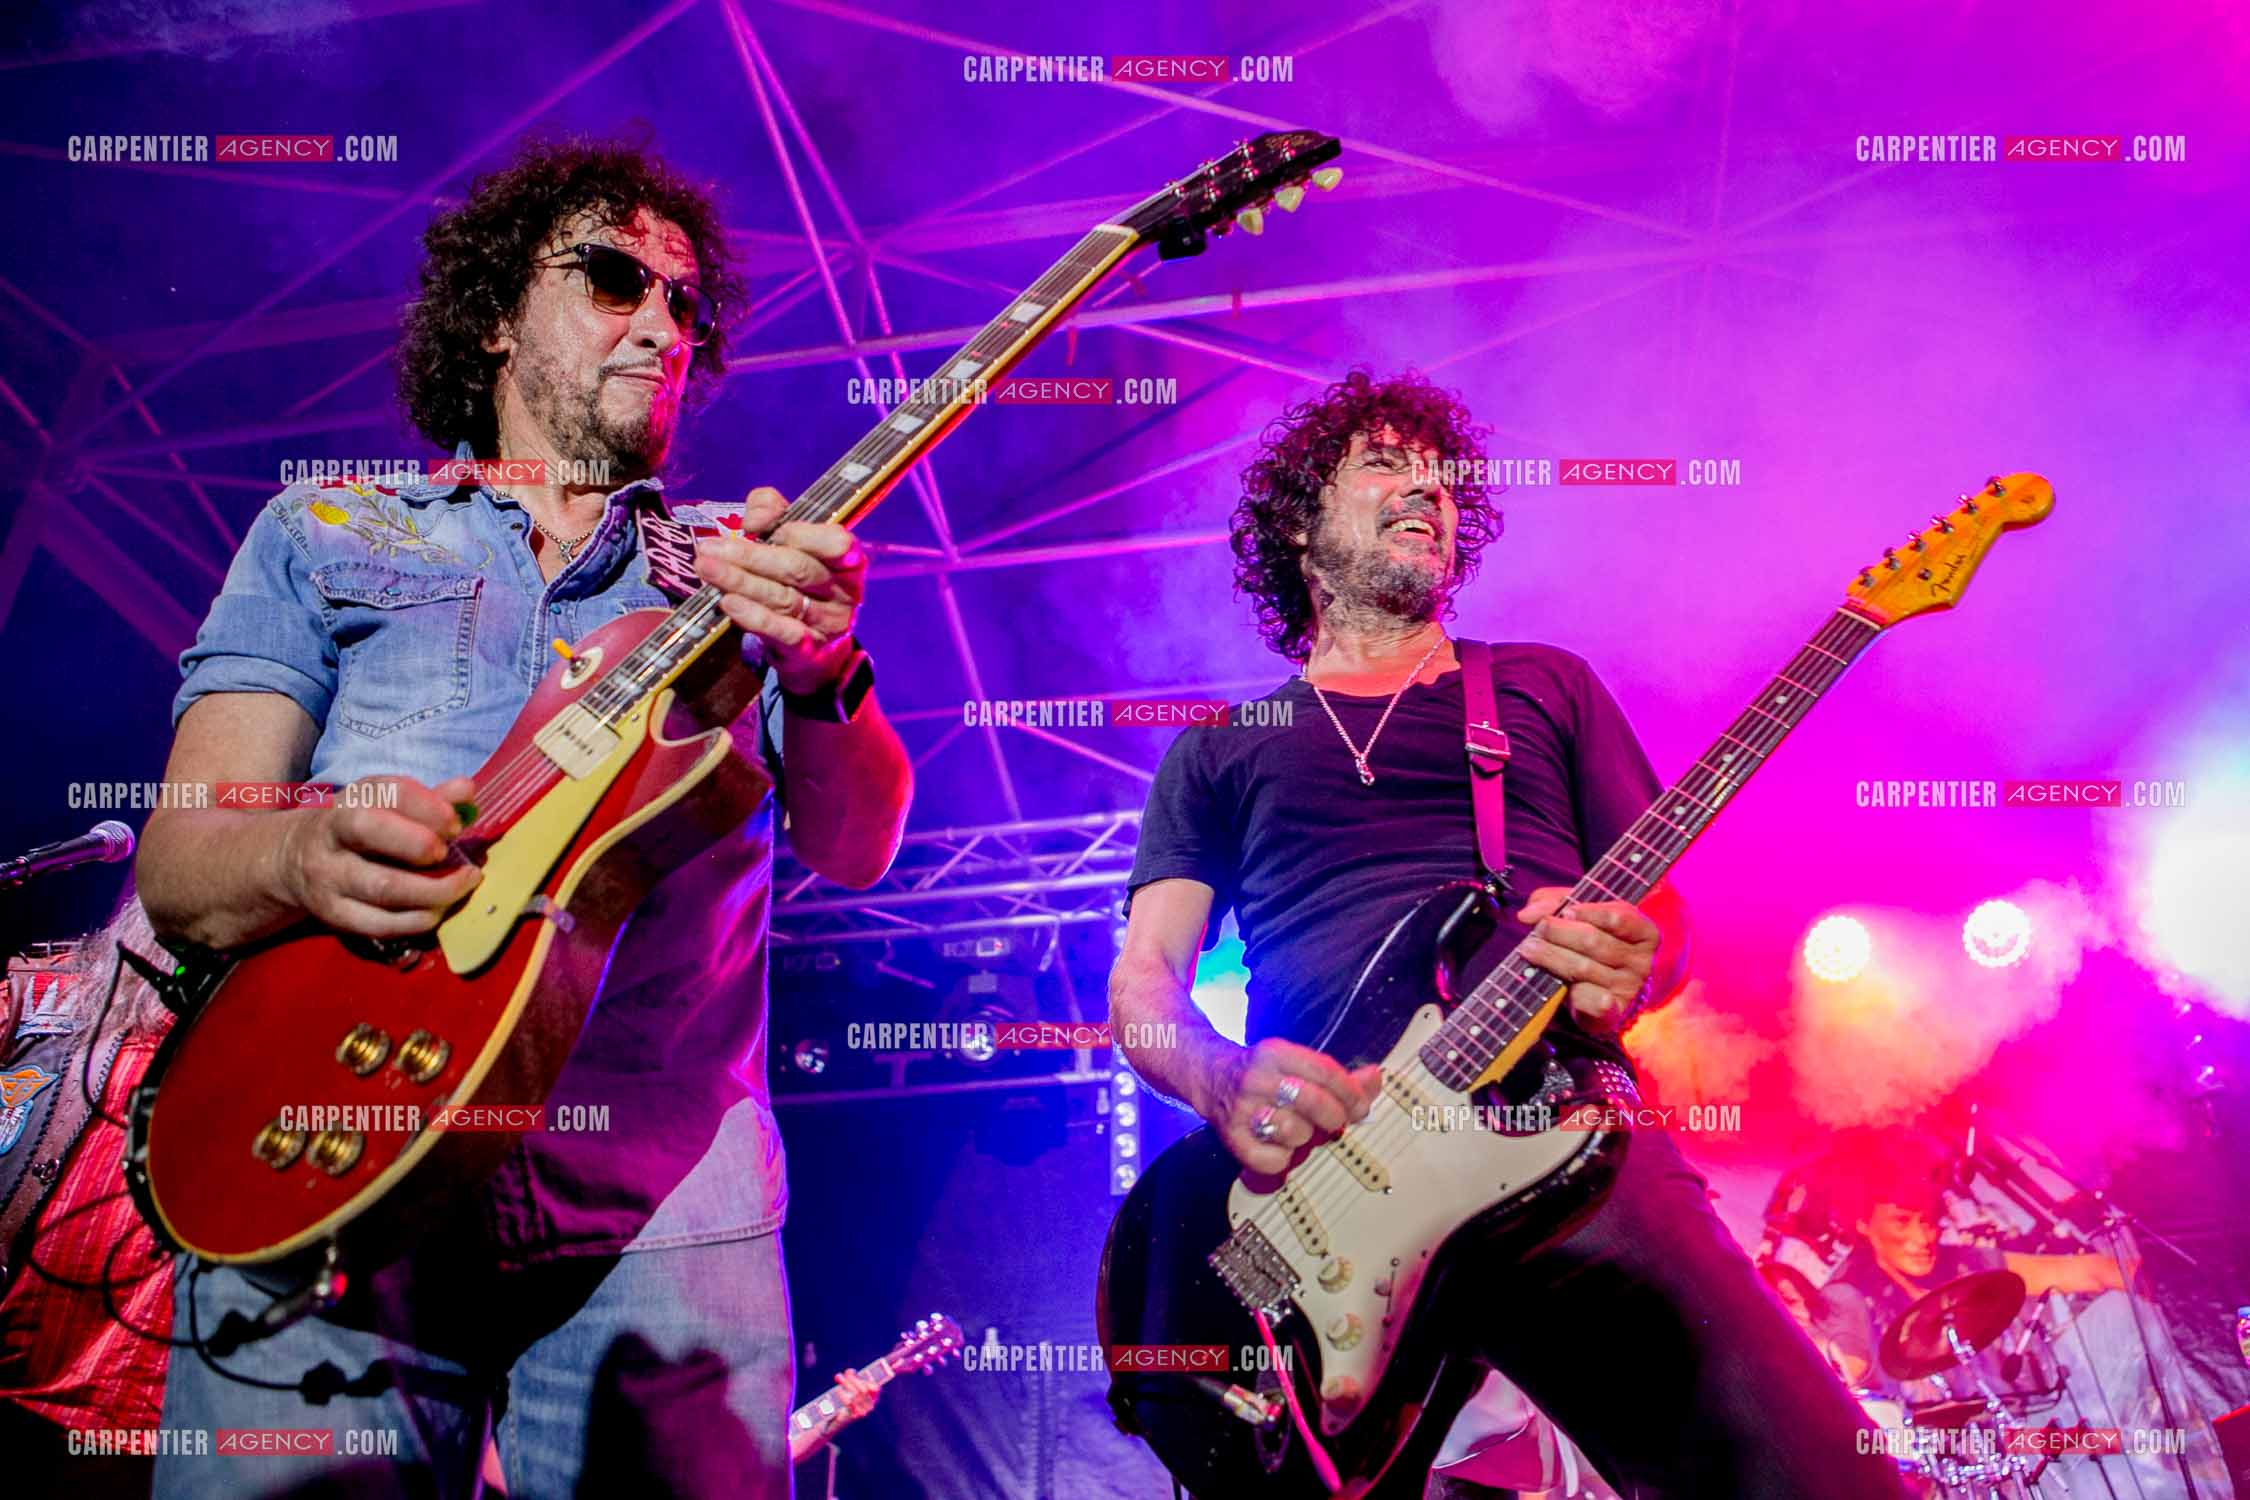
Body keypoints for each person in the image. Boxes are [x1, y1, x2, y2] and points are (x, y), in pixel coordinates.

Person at [134, 135, 911, 1498]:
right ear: (494, 314)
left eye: (688, 305)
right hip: (329, 1153)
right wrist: (303, 854)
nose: (663, 324)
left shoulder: (739, 573)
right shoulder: (325, 529)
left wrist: (821, 662)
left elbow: (857, 849)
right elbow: (189, 865)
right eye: (617, 279)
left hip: (664, 1212)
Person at [1110, 368, 1908, 1497]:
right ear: (1298, 523)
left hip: (1560, 1138)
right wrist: (1223, 1081)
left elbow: (1659, 915)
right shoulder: (1220, 751)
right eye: (1385, 464)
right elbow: (1145, 983)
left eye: (1439, 478)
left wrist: (1636, 965)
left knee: (1820, 1478)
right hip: (1323, 1202)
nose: (1423, 490)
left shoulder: (1542, 686)